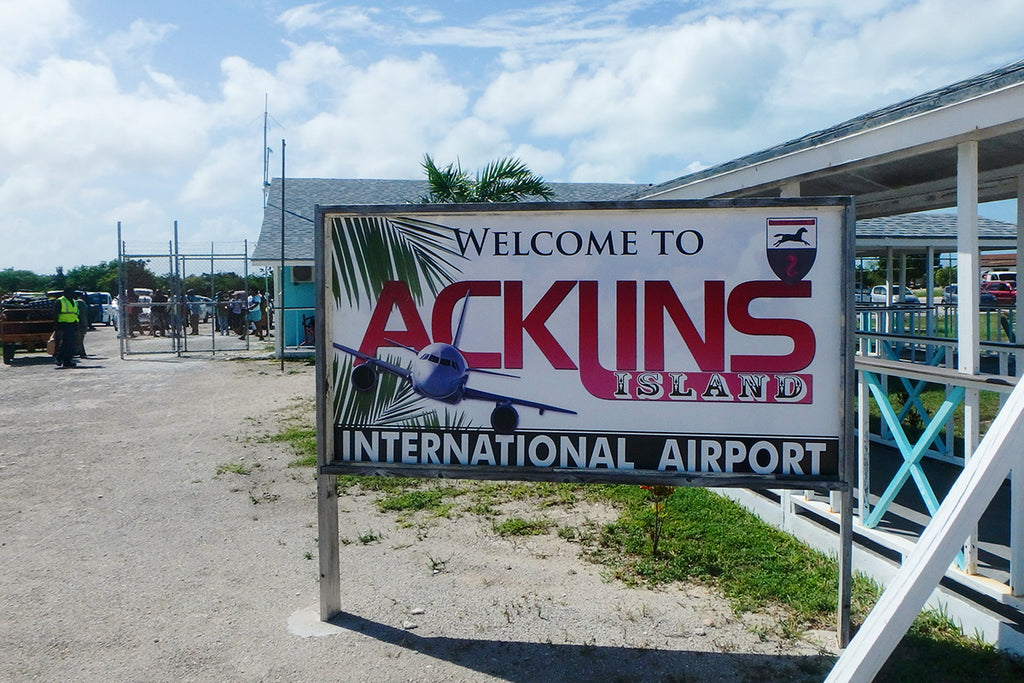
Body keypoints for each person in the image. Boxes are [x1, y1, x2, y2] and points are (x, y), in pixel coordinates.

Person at [53, 287, 79, 369]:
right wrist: (56, 325)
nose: (73, 294)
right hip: (63, 324)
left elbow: (76, 313)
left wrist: (77, 324)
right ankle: (59, 358)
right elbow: (55, 314)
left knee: (70, 343)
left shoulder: (74, 302)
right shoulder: (60, 301)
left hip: (72, 323)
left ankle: (67, 361)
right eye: (71, 292)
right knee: (65, 343)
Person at [75, 290, 89, 359]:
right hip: (79, 323)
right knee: (79, 339)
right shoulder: (80, 303)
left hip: (75, 323)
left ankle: (80, 352)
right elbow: (83, 315)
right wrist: (85, 325)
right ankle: (81, 353)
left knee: (79, 339)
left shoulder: (76, 302)